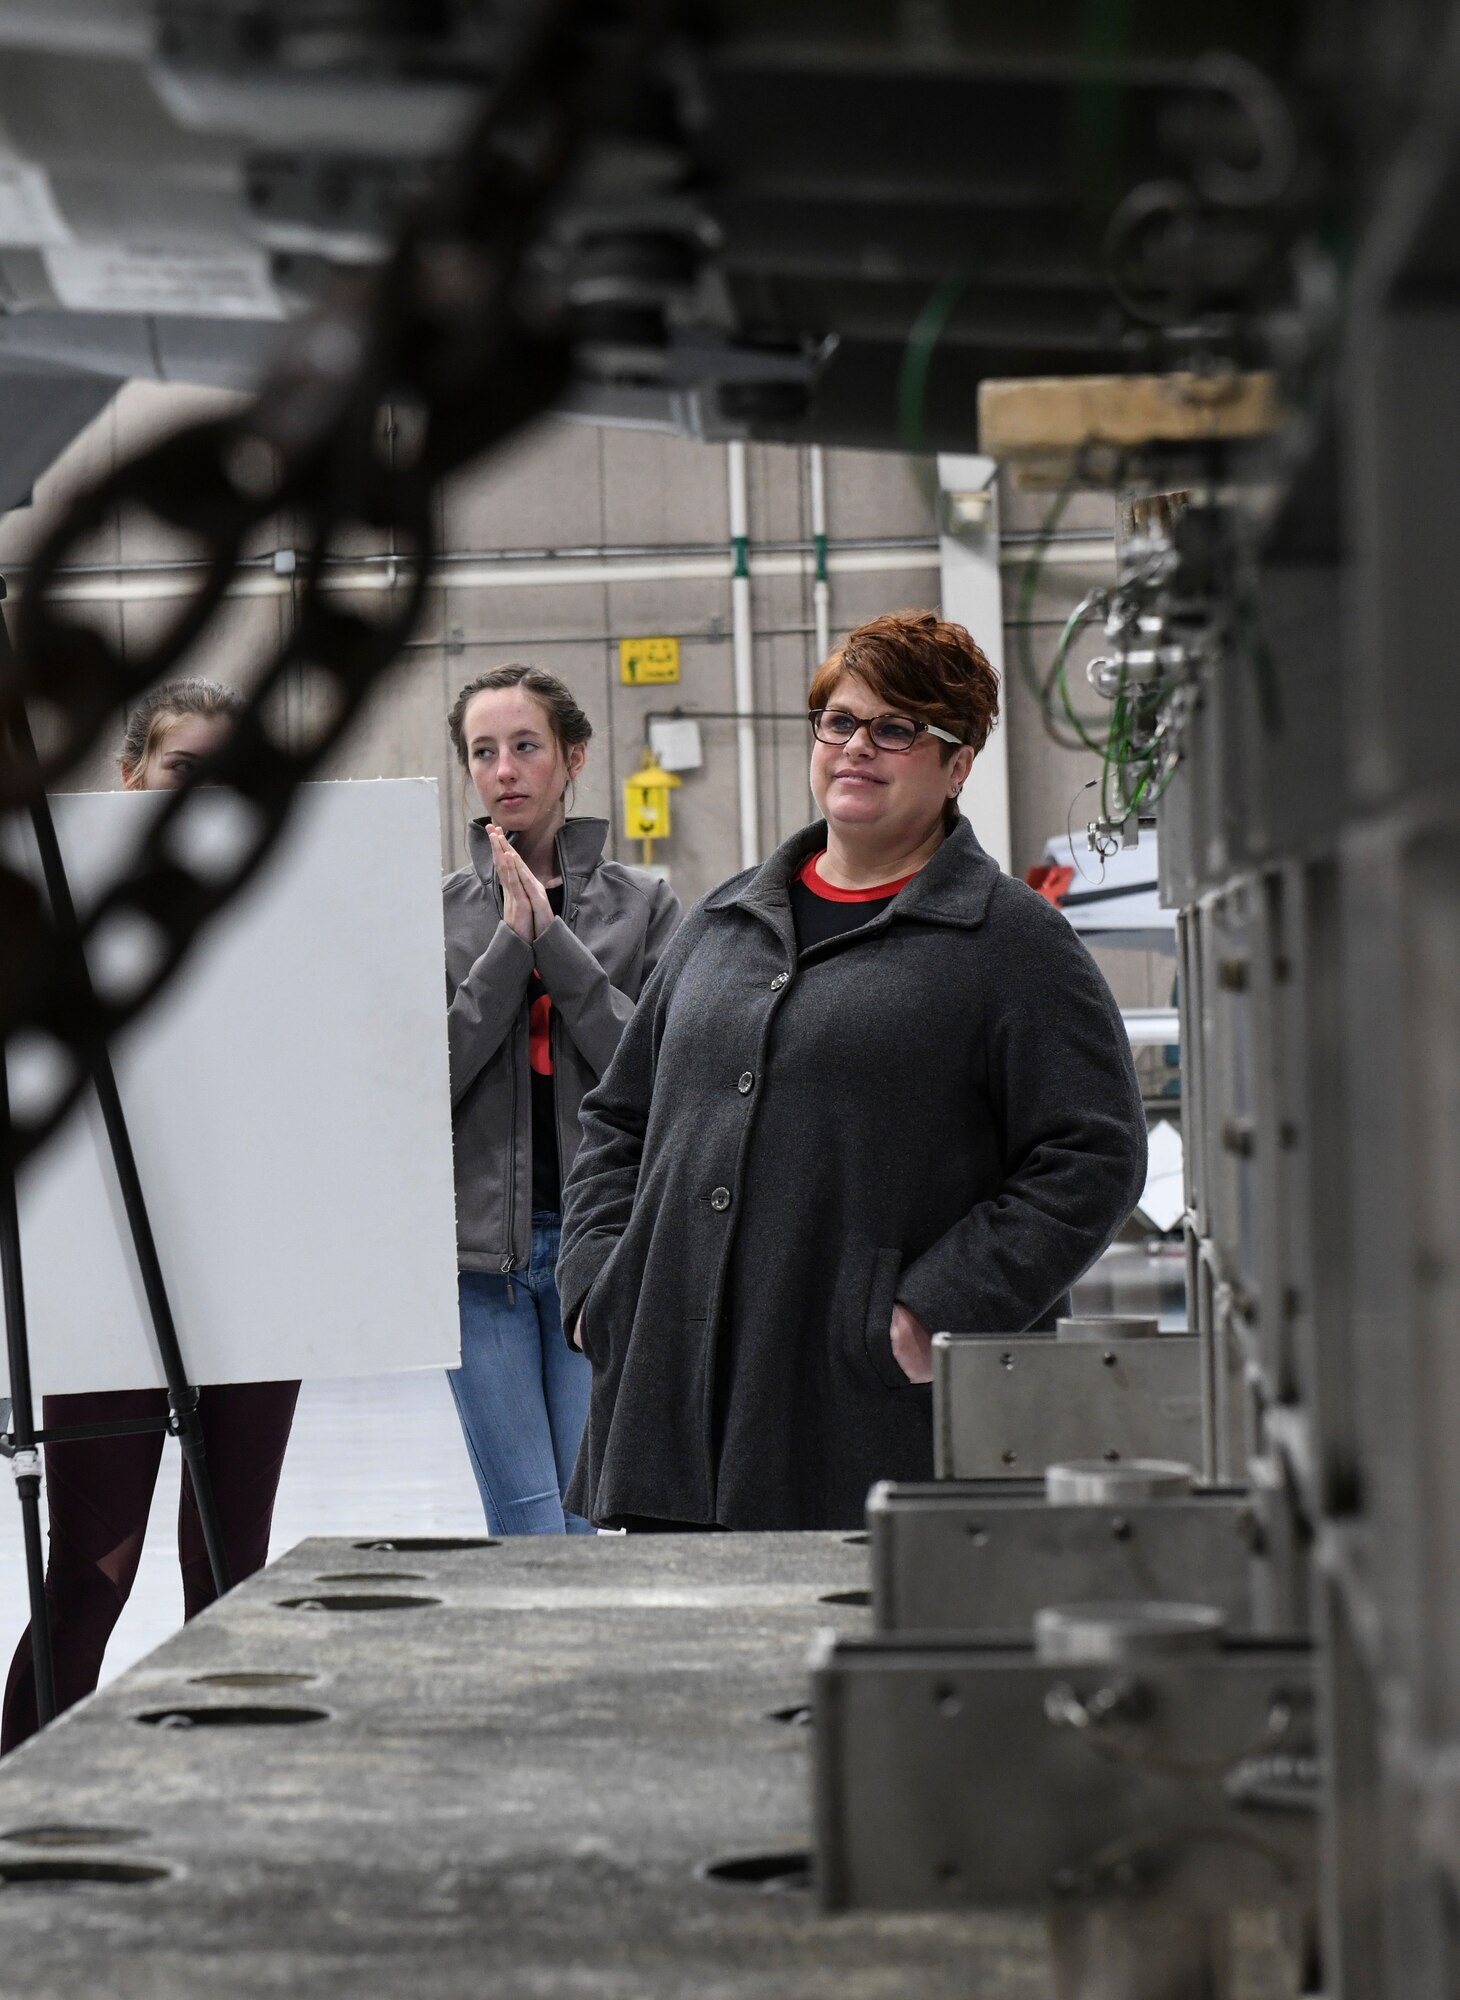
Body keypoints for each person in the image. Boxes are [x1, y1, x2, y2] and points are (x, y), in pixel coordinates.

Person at [557, 610, 1149, 1532]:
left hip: (861, 1419)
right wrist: (603, 1288)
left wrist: (927, 1311)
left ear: (957, 765)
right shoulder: (724, 924)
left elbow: (1092, 1157)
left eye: (897, 729)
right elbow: (618, 1121)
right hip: (669, 1417)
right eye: (839, 720)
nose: (858, 747)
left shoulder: (1009, 941)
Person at [2, 678, 301, 1750]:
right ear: (129, 778)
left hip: (255, 1266)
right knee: (94, 1560)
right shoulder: (67, 912)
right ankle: (25, 1803)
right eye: (180, 769)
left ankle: (210, 1793)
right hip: (102, 1269)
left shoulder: (286, 915)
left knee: (229, 1563)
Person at [443, 665, 680, 1534]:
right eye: (483, 751)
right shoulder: (433, 917)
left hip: (604, 1250)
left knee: (590, 1520)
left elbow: (651, 1069)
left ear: (572, 756)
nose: (505, 769)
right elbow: (429, 1080)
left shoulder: (647, 907)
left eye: (526, 746)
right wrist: (509, 947)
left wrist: (555, 943)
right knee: (529, 1523)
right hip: (478, 1270)